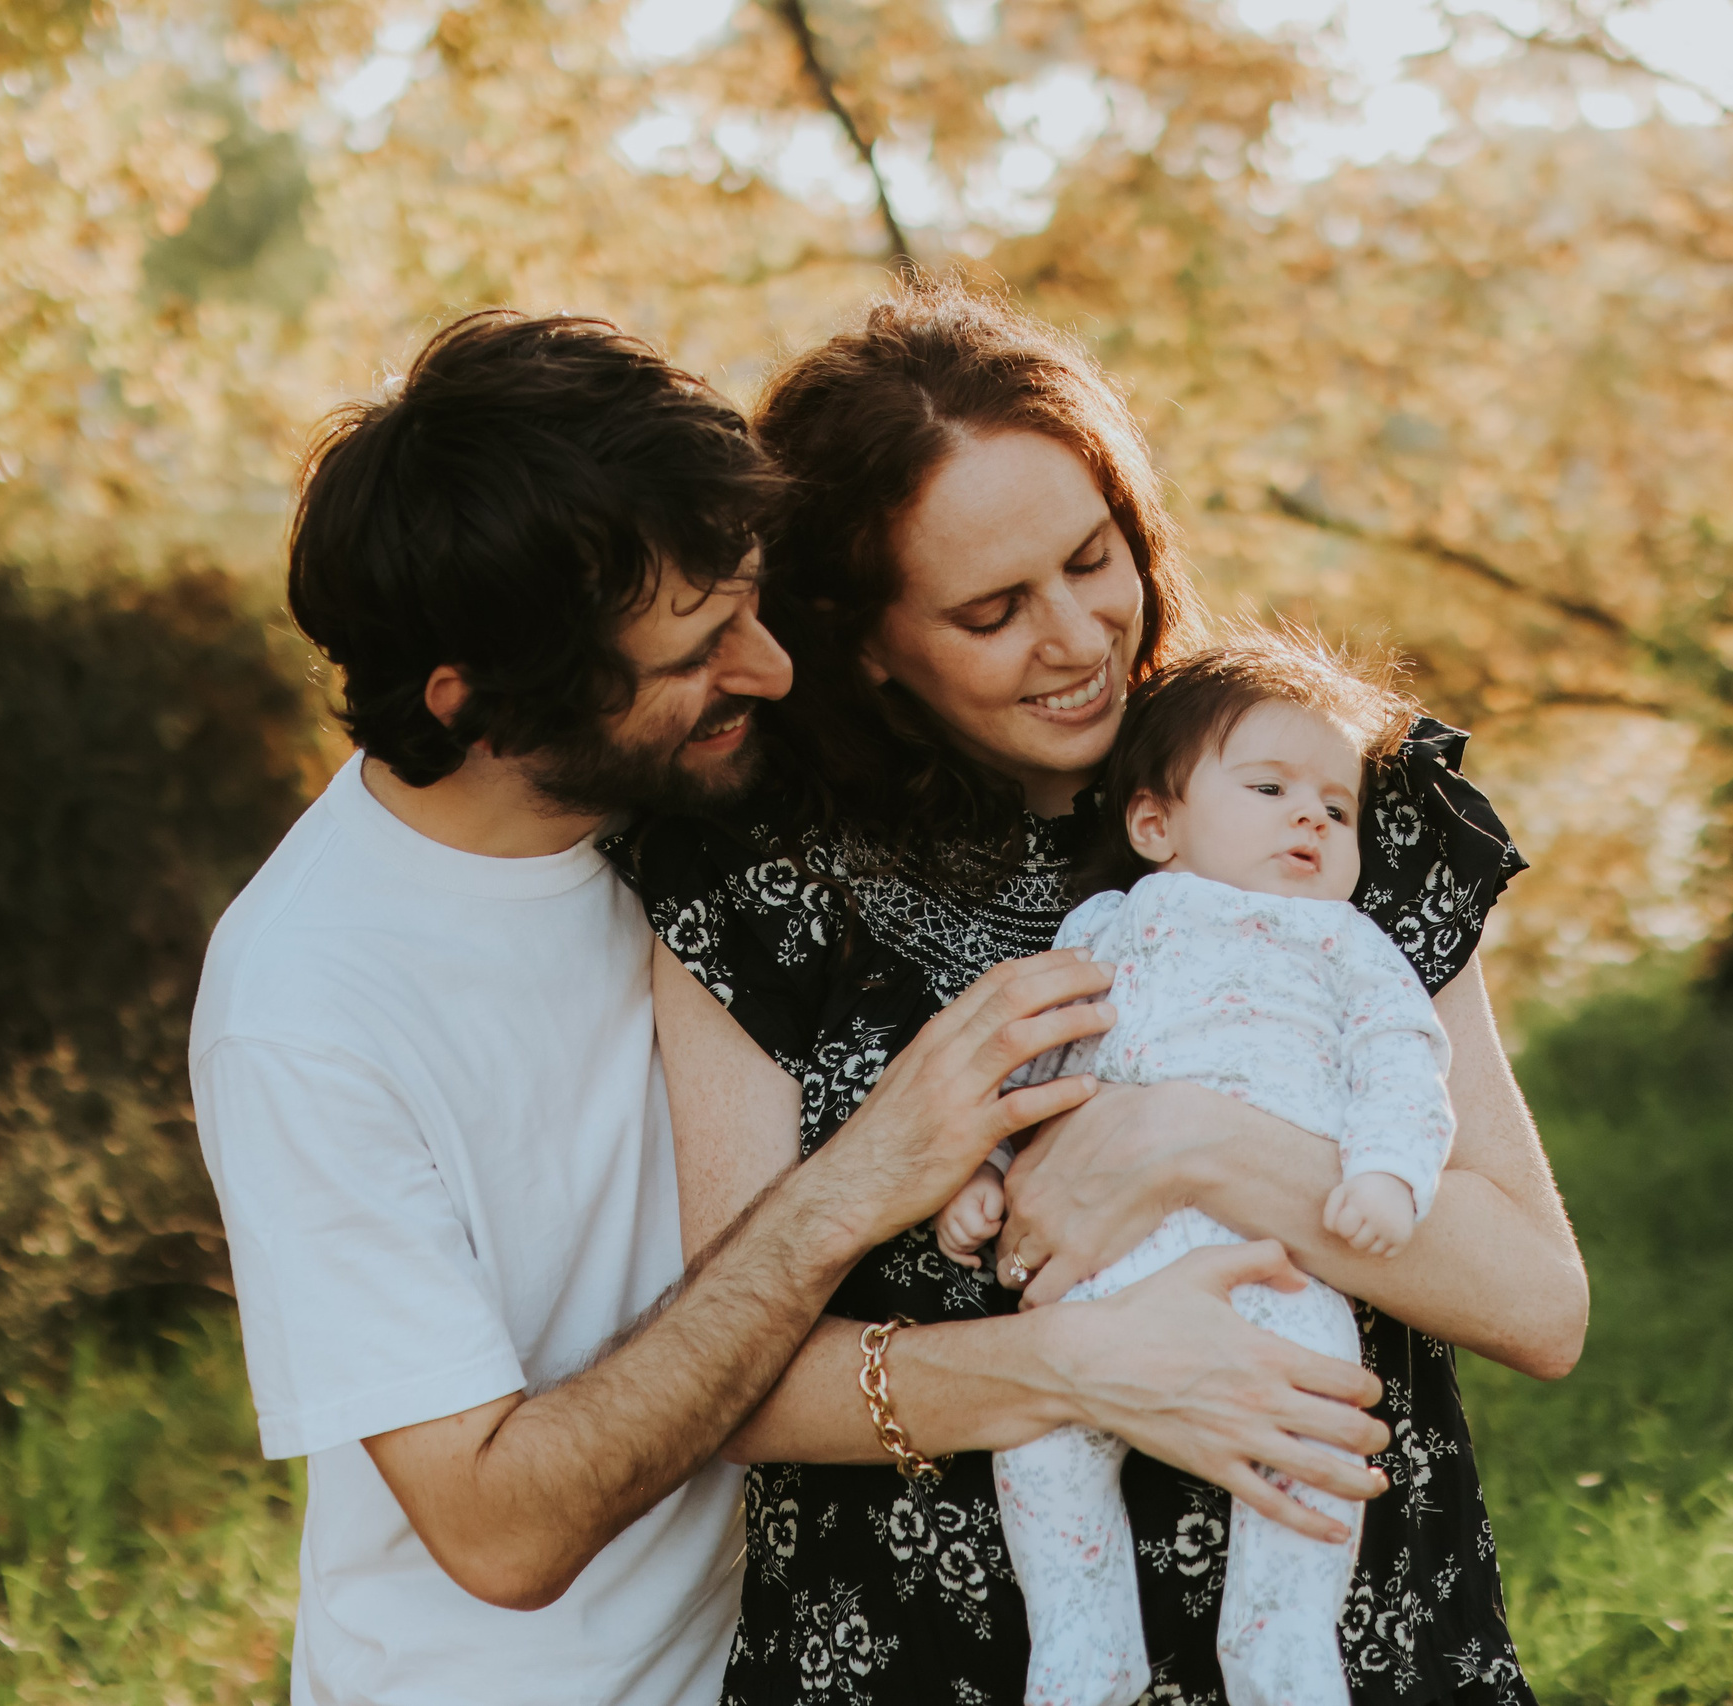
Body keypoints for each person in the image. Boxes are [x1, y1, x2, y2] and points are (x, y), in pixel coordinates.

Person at [629, 280, 1589, 1706]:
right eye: (992, 608)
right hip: (929, 1653)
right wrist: (1069, 1368)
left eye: (1095, 558)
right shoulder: (761, 890)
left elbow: (1536, 1300)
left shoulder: (1311, 793)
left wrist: (1191, 1141)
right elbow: (739, 1382)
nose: (1078, 636)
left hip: (1346, 1638)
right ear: (868, 634)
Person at [188, 311, 1133, 1706]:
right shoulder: (310, 1006)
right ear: (484, 705)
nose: (769, 670)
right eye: (699, 648)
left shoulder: (702, 802)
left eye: (753, 604)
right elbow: (498, 1529)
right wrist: (856, 1182)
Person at [981, 633, 1461, 1706]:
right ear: (1156, 823)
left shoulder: (1343, 941)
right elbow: (1047, 1060)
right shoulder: (1107, 923)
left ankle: (1282, 1657)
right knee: (1044, 1440)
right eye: (1270, 787)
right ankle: (1081, 1648)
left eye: (1336, 808)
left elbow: (1402, 1057)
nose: (1310, 817)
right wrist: (991, 1166)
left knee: (1309, 1474)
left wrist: (1387, 1173)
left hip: (1277, 1278)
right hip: (1102, 1276)